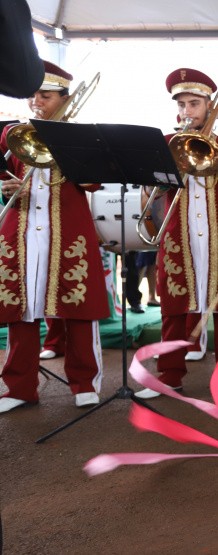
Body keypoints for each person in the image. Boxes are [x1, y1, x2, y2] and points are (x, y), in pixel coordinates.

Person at [135, 68, 218, 400]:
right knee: (173, 309)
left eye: (195, 103)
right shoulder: (168, 143)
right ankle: (170, 375)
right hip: (179, 238)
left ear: (209, 106)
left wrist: (217, 153)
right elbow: (153, 191)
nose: (188, 111)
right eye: (183, 104)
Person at [0, 61, 108, 413]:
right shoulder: (14, 134)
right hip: (23, 229)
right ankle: (19, 387)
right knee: (23, 311)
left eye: (45, 96)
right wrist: (8, 188)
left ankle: (85, 383)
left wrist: (68, 147)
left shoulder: (81, 136)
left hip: (69, 231)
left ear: (66, 98)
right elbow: (6, 178)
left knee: (78, 309)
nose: (36, 103)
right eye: (32, 96)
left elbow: (93, 182)